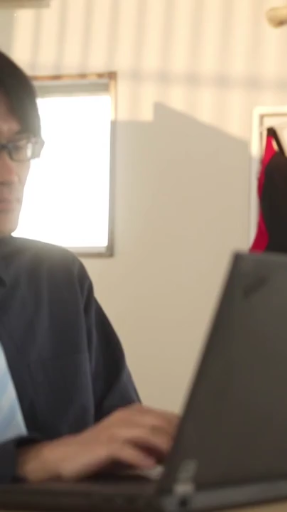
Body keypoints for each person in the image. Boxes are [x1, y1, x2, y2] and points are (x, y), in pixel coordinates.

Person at [0, 50, 179, 483]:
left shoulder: (56, 277)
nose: (9, 174)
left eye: (17, 147)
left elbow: (119, 433)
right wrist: (30, 462)